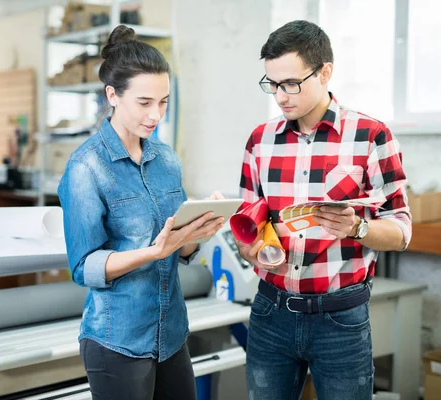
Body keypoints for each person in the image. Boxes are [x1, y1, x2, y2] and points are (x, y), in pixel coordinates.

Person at [236, 20, 412, 400]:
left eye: (290, 84)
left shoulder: (371, 135)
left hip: (340, 318)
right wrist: (249, 247)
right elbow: (250, 224)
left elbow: (401, 231)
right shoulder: (260, 140)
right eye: (272, 84)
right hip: (271, 312)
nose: (281, 96)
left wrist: (357, 229)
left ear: (325, 72)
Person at [57, 25, 225, 400]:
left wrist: (197, 232)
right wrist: (153, 251)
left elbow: (178, 249)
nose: (156, 115)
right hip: (118, 340)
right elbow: (84, 267)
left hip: (172, 333)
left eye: (163, 101)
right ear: (112, 95)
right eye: (144, 103)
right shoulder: (86, 167)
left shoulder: (165, 159)